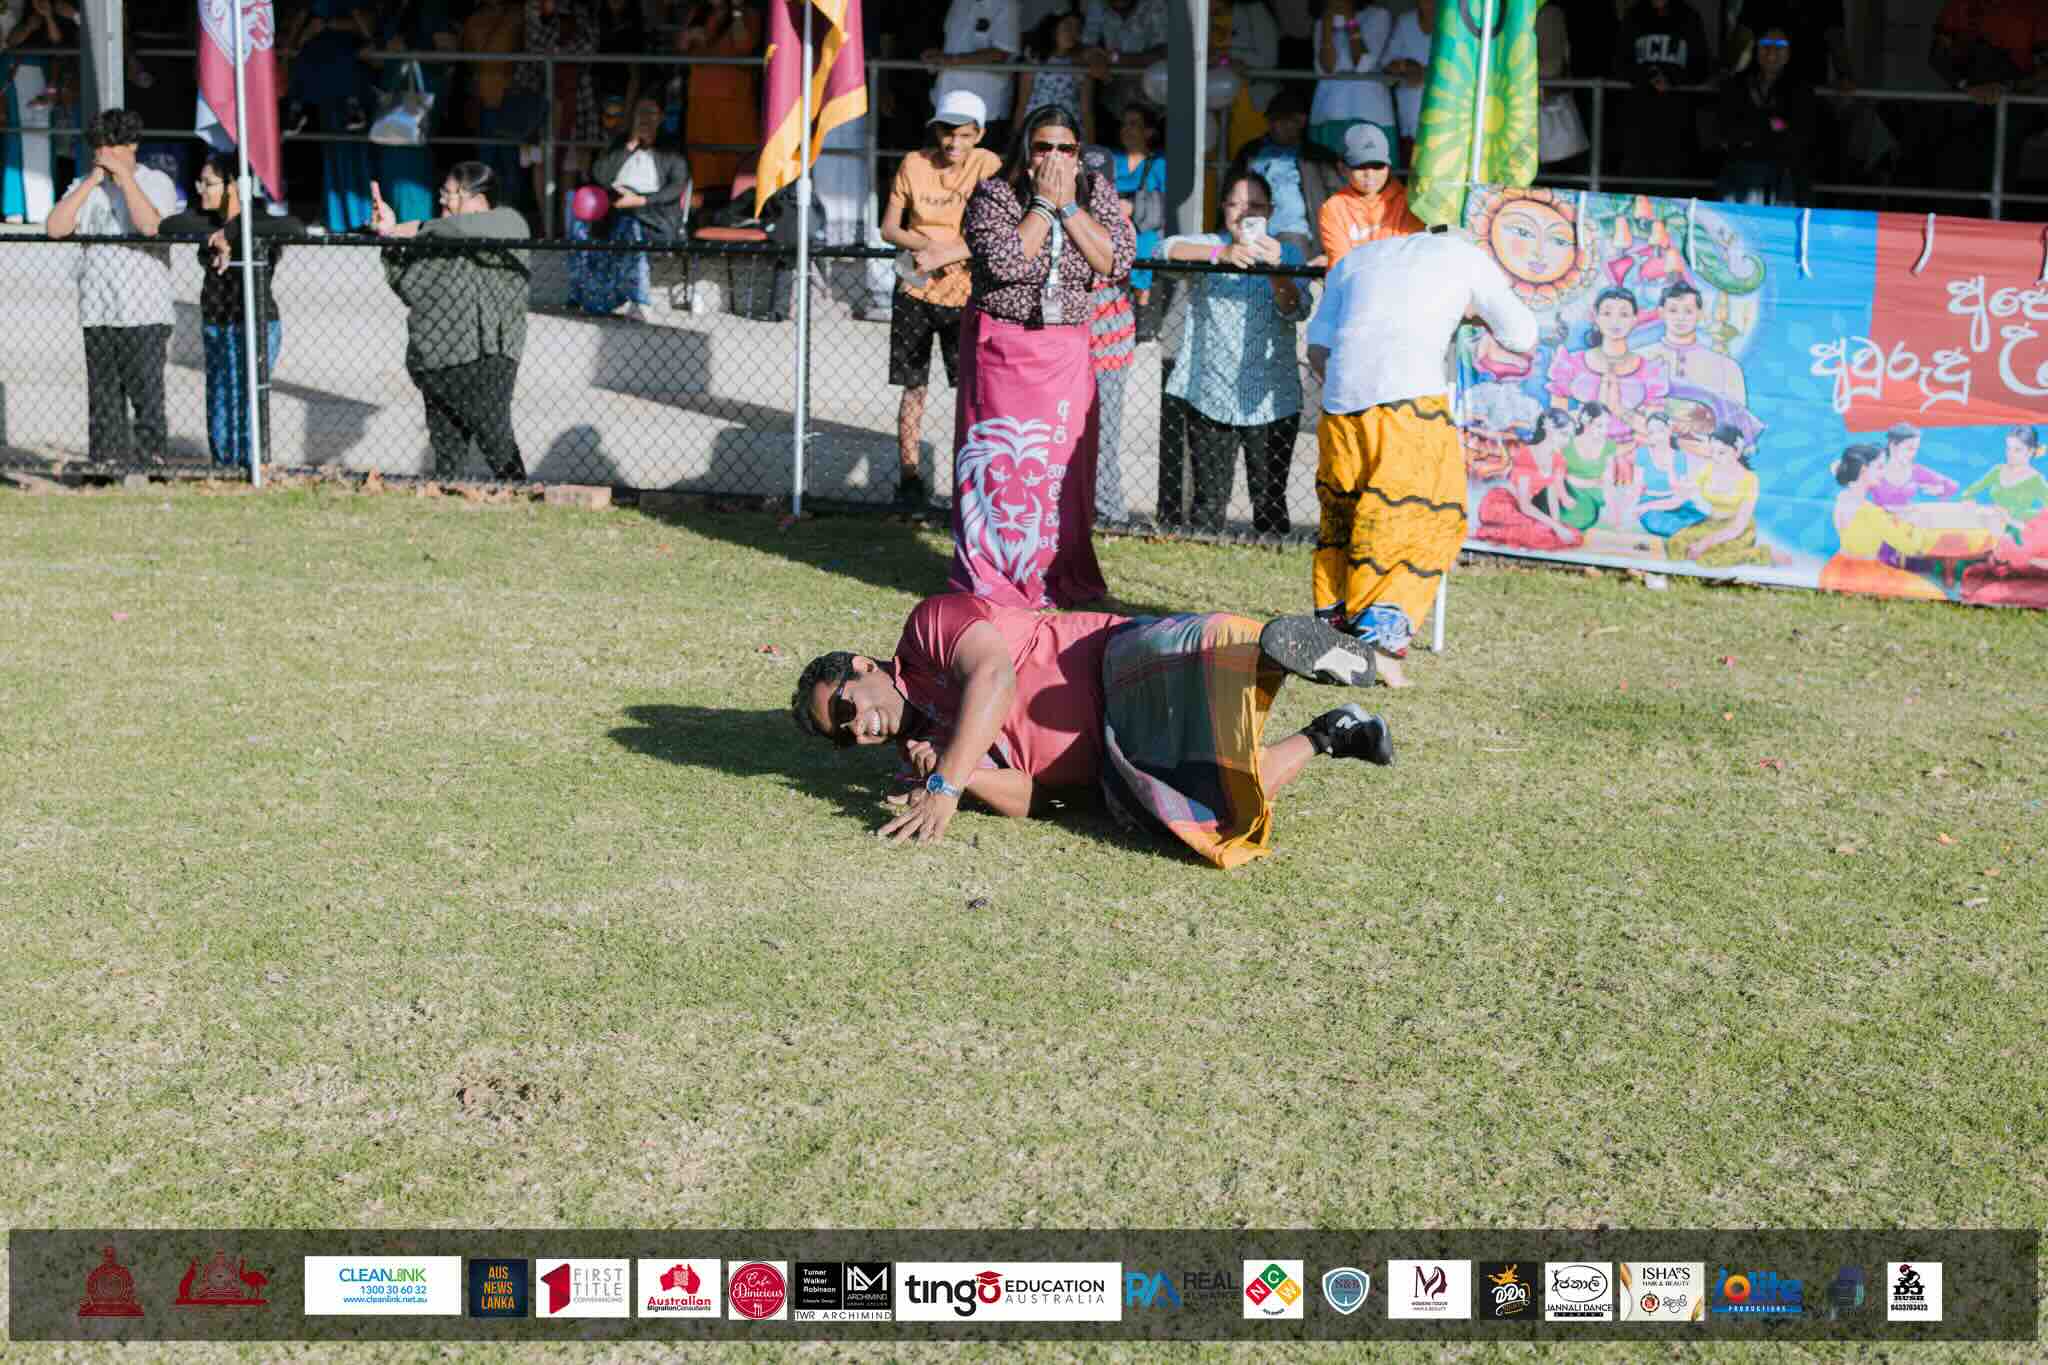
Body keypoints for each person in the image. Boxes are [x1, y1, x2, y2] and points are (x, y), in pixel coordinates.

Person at [791, 592, 1389, 866]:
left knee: (1184, 650)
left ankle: (1274, 648)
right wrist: (964, 771)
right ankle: (1332, 733)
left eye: (845, 710)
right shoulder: (922, 754)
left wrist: (946, 784)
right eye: (843, 738)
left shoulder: (927, 629)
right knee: (1211, 818)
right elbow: (1035, 799)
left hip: (1108, 664)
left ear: (866, 668)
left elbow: (994, 676)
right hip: (1111, 764)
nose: (858, 730)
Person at [1306, 226, 1539, 684]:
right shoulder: (1464, 256)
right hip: (1409, 405)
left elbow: (1317, 351)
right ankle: (1379, 651)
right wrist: (1473, 313)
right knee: (1427, 520)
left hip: (1339, 407)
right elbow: (1522, 334)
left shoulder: (1356, 258)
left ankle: (1331, 634)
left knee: (1345, 524)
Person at [954, 105, 1136, 608]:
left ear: (1079, 154)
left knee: (1059, 469)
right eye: (1043, 147)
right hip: (1004, 349)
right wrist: (1041, 205)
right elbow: (1007, 261)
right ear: (1025, 150)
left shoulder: (1096, 193)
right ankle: (1000, 575)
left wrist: (1069, 208)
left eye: (1066, 148)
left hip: (1066, 350)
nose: (1054, 157)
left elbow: (1115, 260)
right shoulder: (995, 192)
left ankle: (1057, 572)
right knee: (1001, 463)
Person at [1158, 170, 1311, 535]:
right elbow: (1163, 250)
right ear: (1223, 207)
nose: (1246, 213)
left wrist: (1276, 272)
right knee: (1208, 503)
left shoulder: (1286, 251)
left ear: (1271, 212)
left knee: (1270, 500)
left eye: (1256, 206)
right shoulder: (1211, 244)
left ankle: (1271, 569)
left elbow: (1297, 309)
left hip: (1273, 398)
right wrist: (1221, 253)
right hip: (1211, 391)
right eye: (1237, 203)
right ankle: (1200, 568)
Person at [879, 90, 1002, 510]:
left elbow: (1001, 225)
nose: (953, 144)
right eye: (947, 133)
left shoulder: (990, 165)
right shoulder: (914, 163)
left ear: (979, 135)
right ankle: (909, 478)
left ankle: (969, 480)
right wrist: (928, 247)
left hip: (965, 295)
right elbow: (889, 229)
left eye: (964, 135)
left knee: (970, 392)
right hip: (914, 288)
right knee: (913, 388)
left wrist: (955, 253)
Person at [369, 162, 531, 481]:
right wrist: (387, 236)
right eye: (442, 192)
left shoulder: (508, 222)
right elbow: (407, 285)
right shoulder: (436, 236)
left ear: (479, 196)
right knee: (447, 449)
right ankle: (446, 503)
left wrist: (412, 228)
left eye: (452, 193)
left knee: (495, 437)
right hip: (433, 360)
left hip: (487, 356)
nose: (443, 200)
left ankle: (522, 496)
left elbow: (462, 228)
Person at [45, 108, 177, 465]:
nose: (103, 154)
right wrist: (90, 182)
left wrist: (125, 179)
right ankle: (105, 463)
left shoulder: (155, 181)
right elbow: (55, 227)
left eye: (111, 146)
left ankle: (152, 463)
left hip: (144, 310)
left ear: (131, 145)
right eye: (97, 147)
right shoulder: (85, 186)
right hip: (97, 310)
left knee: (146, 394)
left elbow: (150, 226)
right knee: (103, 396)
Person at [159, 152, 303, 470]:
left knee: (249, 395)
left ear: (233, 186)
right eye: (200, 182)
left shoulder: (260, 219)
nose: (201, 189)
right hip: (216, 321)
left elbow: (296, 228)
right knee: (221, 396)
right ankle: (224, 466)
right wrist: (217, 233)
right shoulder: (204, 219)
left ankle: (251, 465)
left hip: (255, 321)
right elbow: (168, 225)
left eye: (208, 183)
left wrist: (232, 231)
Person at [575, 95, 692, 319]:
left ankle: (638, 300)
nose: (645, 119)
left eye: (651, 113)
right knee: (580, 224)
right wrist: (629, 147)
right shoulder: (621, 142)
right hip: (616, 206)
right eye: (640, 113)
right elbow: (600, 175)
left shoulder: (672, 147)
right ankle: (586, 295)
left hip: (655, 214)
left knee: (632, 227)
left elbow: (677, 186)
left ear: (661, 118)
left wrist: (641, 201)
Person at [282, 1, 376, 232]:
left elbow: (370, 32)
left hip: (350, 75)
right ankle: (336, 217)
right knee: (331, 149)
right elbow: (295, 35)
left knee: (353, 152)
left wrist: (336, 24)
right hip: (321, 77)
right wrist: (304, 35)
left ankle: (361, 217)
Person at [371, 0, 460, 226]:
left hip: (417, 102)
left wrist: (411, 54)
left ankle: (416, 226)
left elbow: (449, 53)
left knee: (412, 166)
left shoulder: (433, 8)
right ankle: (393, 225)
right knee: (390, 162)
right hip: (391, 100)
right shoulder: (393, 8)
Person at [1230, 86, 1345, 259]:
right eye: (1272, 120)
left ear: (1301, 121)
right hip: (1251, 228)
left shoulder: (1318, 156)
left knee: (1295, 282)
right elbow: (1229, 192)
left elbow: (1337, 200)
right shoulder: (1250, 151)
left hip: (1295, 233)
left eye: (1283, 120)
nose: (1275, 126)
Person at [1715, 26, 1817, 205]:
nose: (1772, 51)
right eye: (1766, 44)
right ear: (1756, 48)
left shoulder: (1801, 89)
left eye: (1780, 45)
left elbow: (1801, 134)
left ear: (1790, 51)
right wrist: (1771, 124)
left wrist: (1753, 127)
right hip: (1741, 174)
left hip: (1786, 177)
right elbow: (1727, 132)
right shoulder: (1736, 85)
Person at [1613, 0, 1711, 181]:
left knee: (1674, 180)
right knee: (1638, 179)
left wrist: (1672, 79)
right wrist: (1648, 76)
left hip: (1677, 119)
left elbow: (1701, 67)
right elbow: (1620, 64)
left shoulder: (1689, 17)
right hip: (1639, 117)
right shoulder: (1634, 16)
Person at [2, 0, 77, 225]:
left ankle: (40, 208)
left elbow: (57, 42)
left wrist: (48, 17)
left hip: (44, 76)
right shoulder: (25, 13)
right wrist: (30, 26)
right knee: (15, 143)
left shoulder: (57, 11)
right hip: (17, 72)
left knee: (42, 142)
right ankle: (14, 208)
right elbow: (11, 41)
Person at [678, 0, 760, 196]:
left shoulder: (749, 14)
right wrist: (690, 36)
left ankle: (738, 207)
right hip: (700, 99)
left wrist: (738, 12)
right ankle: (703, 210)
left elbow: (744, 46)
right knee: (703, 160)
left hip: (734, 101)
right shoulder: (699, 12)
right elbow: (681, 47)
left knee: (735, 160)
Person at [1316, 123, 1422, 266]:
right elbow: (1341, 265)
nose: (1370, 174)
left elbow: (1410, 258)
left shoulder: (1410, 202)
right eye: (1360, 166)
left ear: (1388, 166)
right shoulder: (1332, 208)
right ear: (1342, 168)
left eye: (1377, 165)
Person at [927, 0, 1022, 153]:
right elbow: (951, 43)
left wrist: (950, 60)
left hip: (985, 110)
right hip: (944, 101)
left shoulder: (1007, 5)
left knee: (979, 172)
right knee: (934, 169)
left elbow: (1001, 54)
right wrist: (936, 57)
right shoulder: (959, 2)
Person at [461, 0, 530, 207]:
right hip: (504, 97)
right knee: (505, 161)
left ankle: (490, 209)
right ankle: (507, 211)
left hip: (497, 98)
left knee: (493, 160)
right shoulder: (518, 15)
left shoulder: (514, 16)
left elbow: (467, 55)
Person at [1309, 1, 1395, 164]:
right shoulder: (1322, 22)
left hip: (1369, 113)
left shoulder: (1378, 15)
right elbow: (1326, 68)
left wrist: (1350, 21)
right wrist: (1327, 28)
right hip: (1330, 111)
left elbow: (1363, 65)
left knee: (1371, 171)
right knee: (1331, 174)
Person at [1641, 279, 1744, 407]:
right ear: (1661, 313)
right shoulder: (1641, 359)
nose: (1680, 318)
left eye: (1688, 311)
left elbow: (1737, 419)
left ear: (1700, 314)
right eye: (1673, 311)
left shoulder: (1726, 368)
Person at [1109, 104, 1165, 312]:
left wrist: (1135, 207)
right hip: (1111, 226)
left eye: (1133, 124)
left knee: (1146, 242)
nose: (1126, 129)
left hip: (1144, 227)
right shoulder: (1111, 159)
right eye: (1124, 124)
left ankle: (1143, 319)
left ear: (1149, 132)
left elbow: (1167, 203)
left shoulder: (1160, 163)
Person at [1079, 0, 1167, 131]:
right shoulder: (1097, 4)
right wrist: (1094, 56)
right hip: (1113, 102)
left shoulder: (1155, 3)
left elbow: (1163, 54)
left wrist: (1114, 58)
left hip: (1154, 103)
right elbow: (1085, 46)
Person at [1017, 7, 1094, 141]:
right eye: (1068, 26)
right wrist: (1015, 137)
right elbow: (1022, 103)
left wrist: (1092, 146)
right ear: (1054, 28)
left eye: (1077, 28)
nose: (1073, 33)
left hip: (1069, 126)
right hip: (1037, 123)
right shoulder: (1035, 57)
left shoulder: (1082, 62)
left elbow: (1086, 110)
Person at [1961, 426, 2048, 539]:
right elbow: (1969, 491)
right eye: (2008, 448)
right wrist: (1968, 500)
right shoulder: (1997, 470)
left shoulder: (2036, 480)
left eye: (2017, 450)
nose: (2010, 454)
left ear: (2030, 451)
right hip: (1991, 526)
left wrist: (2012, 520)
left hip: (2017, 535)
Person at [1379, 0, 1435, 160]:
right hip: (1410, 120)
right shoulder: (1406, 21)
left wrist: (1424, 73)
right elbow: (1387, 63)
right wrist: (1408, 65)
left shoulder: (1453, 22)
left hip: (1445, 120)